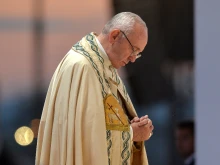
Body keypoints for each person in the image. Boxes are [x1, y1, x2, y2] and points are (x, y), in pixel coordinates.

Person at [35, 12, 154, 165]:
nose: (132, 58)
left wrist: (131, 124)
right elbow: (85, 139)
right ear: (115, 36)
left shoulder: (104, 67)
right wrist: (131, 133)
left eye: (137, 54)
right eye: (133, 50)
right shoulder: (83, 67)